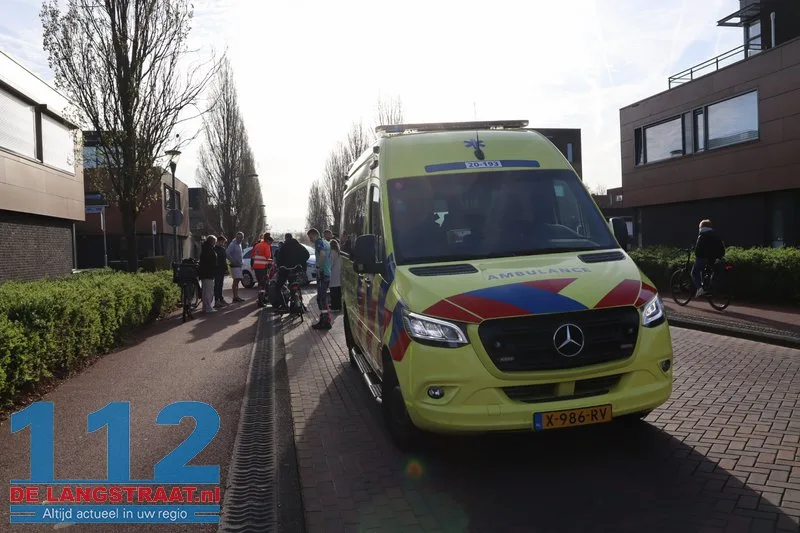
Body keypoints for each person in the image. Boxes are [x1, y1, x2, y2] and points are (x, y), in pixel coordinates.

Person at [692, 219, 726, 297]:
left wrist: (697, 255)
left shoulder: (702, 235)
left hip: (703, 258)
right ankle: (708, 287)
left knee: (694, 272)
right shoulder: (715, 235)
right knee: (709, 271)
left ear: (702, 227)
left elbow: (698, 249)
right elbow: (721, 247)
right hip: (713, 258)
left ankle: (699, 288)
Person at [308, 227, 332, 330]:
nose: (310, 240)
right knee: (322, 298)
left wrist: (318, 266)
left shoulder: (318, 242)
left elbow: (322, 254)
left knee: (321, 298)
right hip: (327, 272)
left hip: (322, 273)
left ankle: (325, 322)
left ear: (314, 235)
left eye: (310, 238)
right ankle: (325, 319)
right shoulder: (326, 242)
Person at [274, 233, 310, 301]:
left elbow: (279, 258)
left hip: (285, 269)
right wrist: (301, 262)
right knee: (294, 284)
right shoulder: (299, 246)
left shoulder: (284, 247)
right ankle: (300, 301)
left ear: (286, 238)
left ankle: (282, 304)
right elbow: (307, 255)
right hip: (296, 269)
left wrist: (279, 267)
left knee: (279, 286)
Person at [198, 235, 218, 313]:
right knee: (208, 291)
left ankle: (205, 307)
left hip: (205, 273)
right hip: (208, 273)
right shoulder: (209, 249)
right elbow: (210, 262)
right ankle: (208, 308)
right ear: (212, 241)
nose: (215, 243)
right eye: (215, 241)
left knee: (205, 291)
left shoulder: (205, 248)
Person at [226, 232, 246, 302]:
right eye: (238, 237)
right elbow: (227, 253)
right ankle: (235, 297)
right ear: (236, 237)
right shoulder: (232, 244)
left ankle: (236, 296)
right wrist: (233, 261)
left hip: (239, 265)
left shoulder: (239, 244)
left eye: (241, 237)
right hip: (235, 265)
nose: (239, 239)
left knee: (237, 281)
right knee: (236, 281)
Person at [213, 235, 229, 308]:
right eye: (223, 242)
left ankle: (221, 299)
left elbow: (224, 260)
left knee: (220, 285)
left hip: (221, 270)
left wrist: (226, 268)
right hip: (216, 270)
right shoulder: (214, 249)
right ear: (219, 241)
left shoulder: (222, 249)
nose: (223, 243)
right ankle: (216, 301)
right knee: (217, 285)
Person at [329, 238, 343, 312]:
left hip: (333, 274)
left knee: (333, 291)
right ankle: (339, 306)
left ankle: (335, 306)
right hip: (339, 273)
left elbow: (330, 264)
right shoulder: (339, 252)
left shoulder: (332, 252)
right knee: (338, 292)